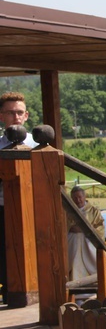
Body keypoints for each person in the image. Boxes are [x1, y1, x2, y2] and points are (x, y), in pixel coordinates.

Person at [0, 92, 37, 304]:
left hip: (33, 208)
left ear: (27, 115)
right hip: (3, 209)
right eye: (10, 112)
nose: (16, 117)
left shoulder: (38, 146)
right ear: (1, 116)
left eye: (20, 112)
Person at [66, 186, 105, 280]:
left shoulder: (94, 211)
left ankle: (95, 279)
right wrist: (70, 228)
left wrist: (86, 230)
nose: (78, 200)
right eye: (75, 198)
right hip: (72, 242)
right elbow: (65, 226)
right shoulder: (67, 212)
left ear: (84, 196)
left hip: (89, 242)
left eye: (80, 197)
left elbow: (100, 227)